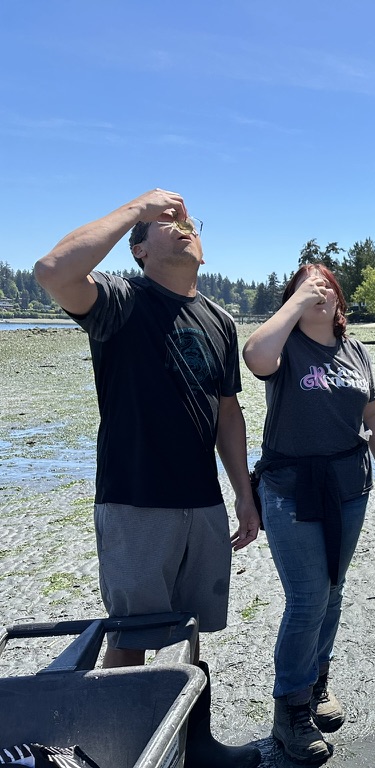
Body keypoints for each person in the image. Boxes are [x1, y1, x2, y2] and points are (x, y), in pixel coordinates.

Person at [33, 189, 261, 768]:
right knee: (132, 635)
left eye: (188, 222)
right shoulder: (120, 299)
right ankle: (117, 755)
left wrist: (243, 494)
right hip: (134, 500)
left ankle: (195, 746)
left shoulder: (219, 320)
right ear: (138, 250)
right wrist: (138, 208)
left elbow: (227, 413)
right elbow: (53, 271)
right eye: (167, 223)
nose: (183, 226)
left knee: (188, 630)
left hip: (201, 503)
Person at [243, 264, 375, 765]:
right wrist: (294, 305)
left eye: (328, 287)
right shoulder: (284, 348)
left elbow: (370, 413)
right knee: (308, 598)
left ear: (340, 299)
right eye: (309, 289)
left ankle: (315, 686)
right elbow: (254, 357)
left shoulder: (355, 350)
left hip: (348, 488)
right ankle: (289, 712)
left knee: (332, 591)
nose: (320, 294)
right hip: (291, 488)